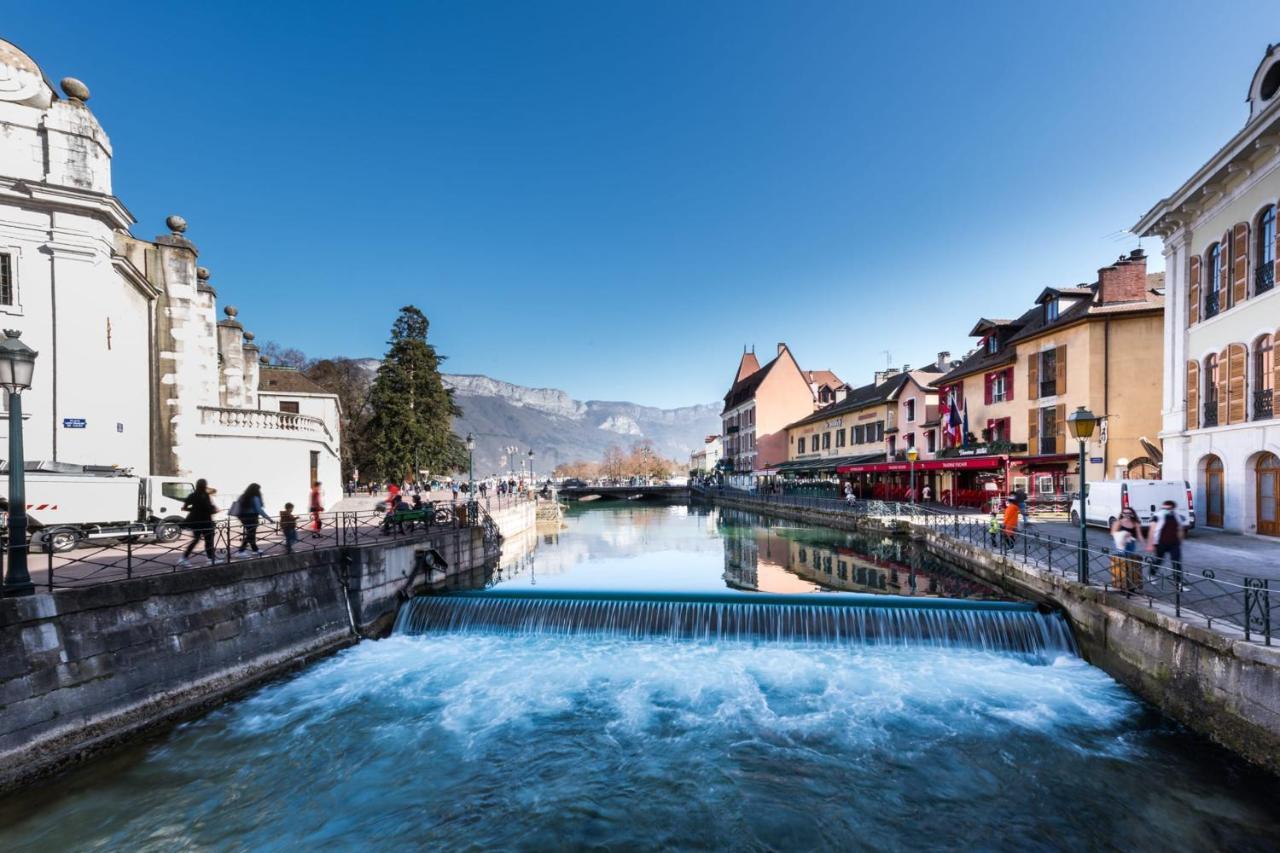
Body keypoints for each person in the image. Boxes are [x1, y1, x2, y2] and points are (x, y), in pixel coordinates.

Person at [177, 479, 218, 567]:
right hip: (206, 521)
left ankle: (184, 558)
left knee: (196, 539)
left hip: (196, 521)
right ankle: (210, 559)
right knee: (209, 540)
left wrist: (194, 509)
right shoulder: (205, 495)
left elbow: (184, 508)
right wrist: (213, 510)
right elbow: (208, 509)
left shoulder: (192, 495)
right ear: (205, 485)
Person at [1147, 500, 1186, 590]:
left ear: (1173, 508)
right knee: (1158, 560)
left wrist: (1180, 540)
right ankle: (1151, 574)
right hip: (1161, 543)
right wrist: (1150, 544)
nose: (1165, 510)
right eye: (1164, 508)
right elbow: (1152, 530)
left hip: (1174, 543)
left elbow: (1180, 528)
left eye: (1168, 508)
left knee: (1176, 563)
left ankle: (1178, 584)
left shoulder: (1176, 516)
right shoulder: (1157, 516)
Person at [1110, 507, 1146, 591]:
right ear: (1122, 514)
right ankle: (1121, 583)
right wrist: (1124, 534)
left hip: (1131, 544)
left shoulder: (1135, 523)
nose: (1127, 515)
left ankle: (1130, 583)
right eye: (1125, 513)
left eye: (1129, 513)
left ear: (1132, 514)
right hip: (1121, 544)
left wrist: (1144, 544)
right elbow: (1112, 533)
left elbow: (1139, 535)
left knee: (1130, 561)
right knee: (1121, 562)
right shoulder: (1118, 522)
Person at [234, 483, 272, 557]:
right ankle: (241, 551)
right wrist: (269, 519)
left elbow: (237, 507)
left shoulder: (243, 496)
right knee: (250, 534)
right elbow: (259, 510)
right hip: (252, 517)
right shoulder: (255, 497)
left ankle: (255, 549)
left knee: (250, 534)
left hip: (243, 517)